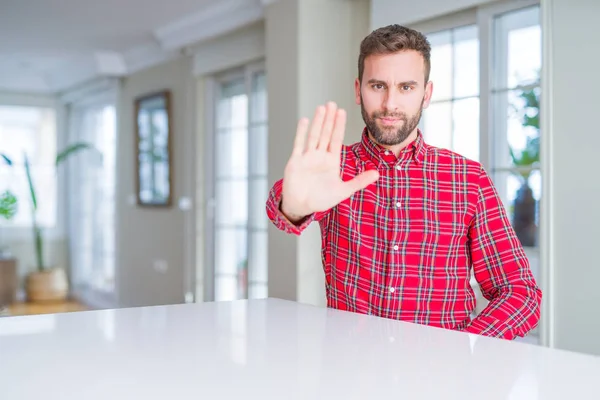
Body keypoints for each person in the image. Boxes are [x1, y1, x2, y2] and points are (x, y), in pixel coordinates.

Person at [265, 24, 541, 340]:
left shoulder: (468, 180)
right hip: (349, 377)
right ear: (358, 90)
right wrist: (293, 207)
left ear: (427, 93)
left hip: (441, 380)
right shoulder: (334, 168)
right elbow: (282, 208)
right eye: (378, 85)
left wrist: (462, 349)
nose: (390, 104)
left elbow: (519, 292)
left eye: (406, 87)